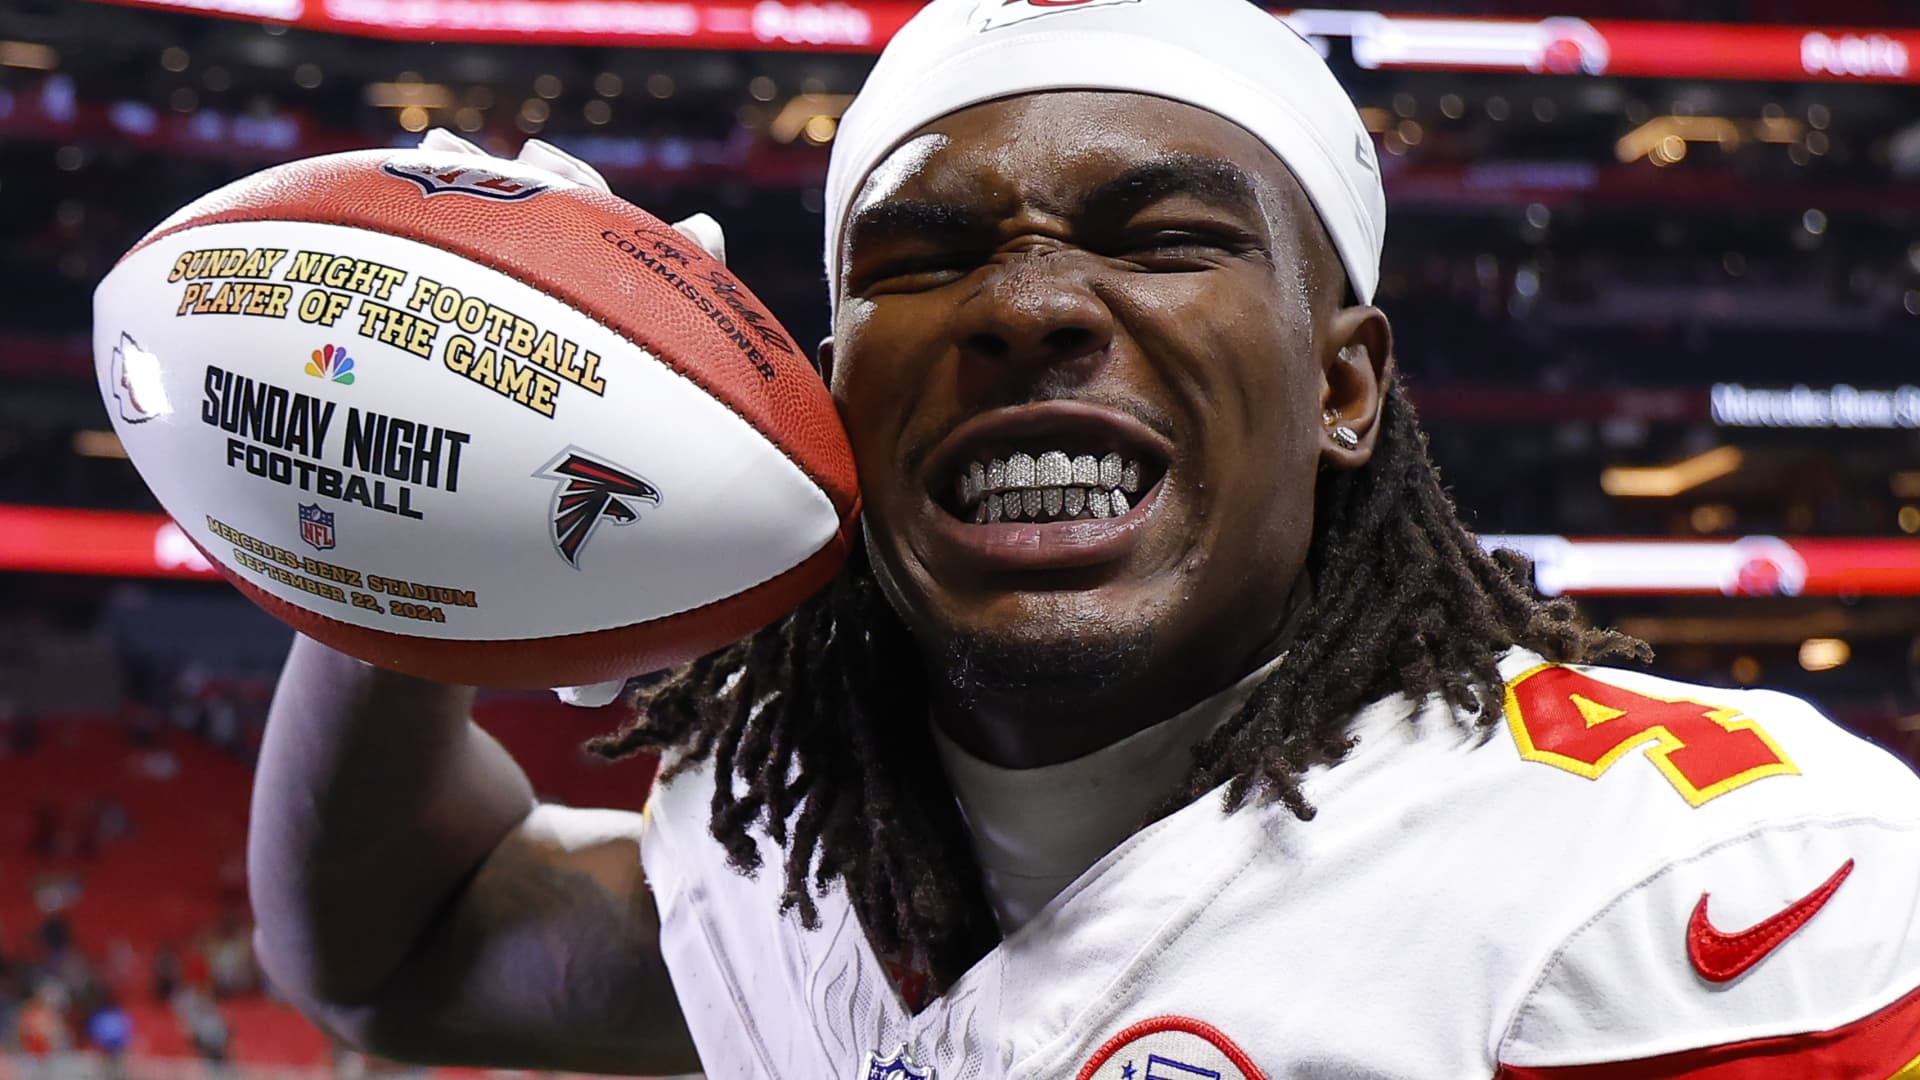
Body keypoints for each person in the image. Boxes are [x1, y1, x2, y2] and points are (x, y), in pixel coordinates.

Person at [249, 1, 1920, 1077]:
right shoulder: (800, 859)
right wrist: (418, 533)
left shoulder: (1697, 880)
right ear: (824, 394)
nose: (1032, 304)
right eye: (922, 260)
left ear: (1343, 386)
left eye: (1165, 237)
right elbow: (392, 949)